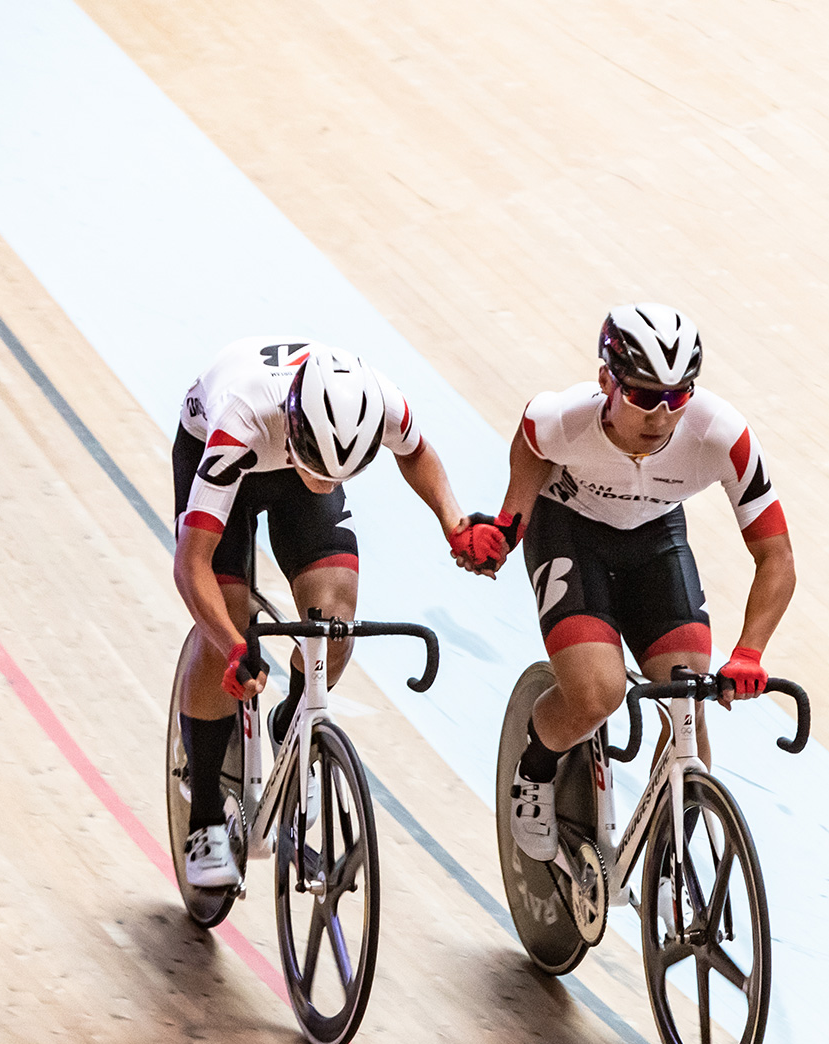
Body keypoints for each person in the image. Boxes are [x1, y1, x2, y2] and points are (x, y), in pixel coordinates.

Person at [476, 303, 795, 860]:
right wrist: (509, 524)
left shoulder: (723, 434)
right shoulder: (562, 419)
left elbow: (777, 558)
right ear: (607, 380)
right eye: (646, 396)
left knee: (689, 712)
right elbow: (529, 447)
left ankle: (664, 862)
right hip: (570, 533)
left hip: (654, 541)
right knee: (599, 694)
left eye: (678, 396)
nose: (662, 414)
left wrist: (749, 652)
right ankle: (534, 769)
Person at [173, 337, 486, 889]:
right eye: (318, 463)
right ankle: (203, 817)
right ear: (298, 427)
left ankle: (292, 718)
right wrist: (232, 644)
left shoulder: (381, 403)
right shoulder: (240, 420)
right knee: (228, 611)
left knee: (335, 620)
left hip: (300, 452)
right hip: (225, 452)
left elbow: (416, 453)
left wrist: (454, 522)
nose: (327, 476)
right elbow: (190, 564)